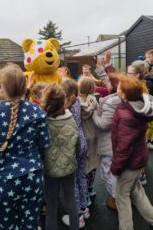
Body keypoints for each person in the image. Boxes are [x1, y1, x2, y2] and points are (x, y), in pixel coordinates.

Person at [0, 64, 50, 230]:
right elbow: (44, 143)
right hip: (33, 177)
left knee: (5, 226)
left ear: (3, 87)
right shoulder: (37, 112)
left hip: (3, 180)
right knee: (30, 224)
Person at [111, 75, 153, 230]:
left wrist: (116, 167)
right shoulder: (138, 107)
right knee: (137, 191)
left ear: (124, 94)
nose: (116, 88)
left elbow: (124, 147)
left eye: (119, 87)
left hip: (128, 164)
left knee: (121, 197)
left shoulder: (126, 115)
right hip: (138, 159)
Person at [42, 83, 80, 230]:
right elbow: (78, 146)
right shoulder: (71, 121)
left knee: (51, 207)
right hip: (69, 168)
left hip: (49, 171)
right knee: (71, 202)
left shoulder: (42, 123)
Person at [61, 79, 89, 228]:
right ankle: (84, 208)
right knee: (81, 176)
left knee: (72, 182)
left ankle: (76, 215)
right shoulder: (78, 102)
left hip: (72, 145)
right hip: (82, 142)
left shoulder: (65, 107)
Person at [92, 74, 121, 210]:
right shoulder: (121, 98)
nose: (106, 83)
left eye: (109, 82)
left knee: (108, 172)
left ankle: (116, 199)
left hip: (109, 142)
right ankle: (121, 196)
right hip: (119, 140)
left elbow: (103, 124)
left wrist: (94, 113)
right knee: (117, 171)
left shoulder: (111, 102)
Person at [78, 77, 99, 206]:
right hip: (93, 133)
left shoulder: (76, 101)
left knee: (83, 165)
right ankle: (91, 188)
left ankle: (84, 192)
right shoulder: (94, 99)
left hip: (82, 134)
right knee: (93, 163)